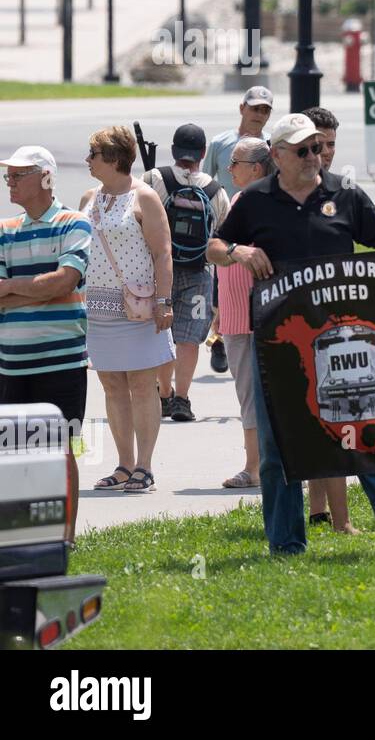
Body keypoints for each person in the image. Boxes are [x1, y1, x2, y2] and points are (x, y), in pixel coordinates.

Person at [209, 113, 375, 555]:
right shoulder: (254, 201)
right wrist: (239, 250)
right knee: (278, 448)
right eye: (303, 150)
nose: (314, 156)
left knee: (368, 433)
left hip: (344, 339)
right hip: (280, 346)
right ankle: (286, 543)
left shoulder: (344, 194)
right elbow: (213, 248)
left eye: (317, 148)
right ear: (277, 156)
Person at [0, 147, 93, 541]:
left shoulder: (75, 223)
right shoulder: (4, 229)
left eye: (19, 174)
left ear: (46, 178)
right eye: (10, 175)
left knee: (63, 448)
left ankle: (65, 536)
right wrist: (41, 289)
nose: (10, 181)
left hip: (62, 362)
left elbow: (64, 281)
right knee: (13, 454)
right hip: (12, 363)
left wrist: (15, 289)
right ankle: (23, 534)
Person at [80, 126, 176, 496]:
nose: (87, 161)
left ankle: (145, 467)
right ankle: (123, 465)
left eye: (93, 155)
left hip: (138, 308)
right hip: (98, 307)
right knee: (111, 385)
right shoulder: (89, 197)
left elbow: (163, 252)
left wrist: (164, 302)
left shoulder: (145, 197)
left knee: (140, 385)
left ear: (115, 159)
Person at [144, 124, 231, 423]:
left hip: (160, 270)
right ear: (203, 154)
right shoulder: (215, 190)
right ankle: (182, 397)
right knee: (189, 338)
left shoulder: (156, 178)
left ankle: (164, 393)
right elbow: (223, 234)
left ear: (173, 150)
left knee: (162, 333)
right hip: (198, 271)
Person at [301, 105, 357, 533]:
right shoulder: (269, 195)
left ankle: (333, 518)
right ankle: (309, 513)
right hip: (290, 328)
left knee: (337, 421)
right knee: (305, 424)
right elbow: (222, 244)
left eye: (332, 144)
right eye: (319, 144)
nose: (326, 152)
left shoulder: (344, 193)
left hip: (336, 325)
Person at [214, 137, 272, 490]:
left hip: (258, 317)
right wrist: (220, 307)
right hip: (237, 316)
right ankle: (255, 464)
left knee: (254, 395)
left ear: (257, 168)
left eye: (235, 162)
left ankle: (255, 467)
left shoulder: (262, 202)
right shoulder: (240, 199)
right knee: (247, 394)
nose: (229, 168)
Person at [203, 86, 274, 198]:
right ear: (242, 108)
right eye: (255, 109)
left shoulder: (272, 146)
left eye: (265, 111)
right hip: (226, 213)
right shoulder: (219, 143)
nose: (259, 115)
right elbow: (205, 183)